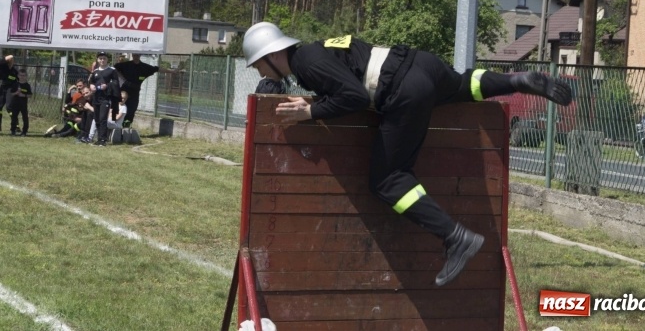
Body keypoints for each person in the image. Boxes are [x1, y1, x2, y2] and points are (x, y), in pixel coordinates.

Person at [242, 22, 572, 287]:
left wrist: (310, 114)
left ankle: (455, 238)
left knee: (387, 180)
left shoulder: (305, 63)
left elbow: (354, 96)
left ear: (271, 55)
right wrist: (316, 103)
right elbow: (347, 84)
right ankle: (516, 78)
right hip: (421, 64)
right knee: (462, 86)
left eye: (257, 65)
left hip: (401, 89)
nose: (259, 73)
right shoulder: (316, 51)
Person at [114, 53, 159, 128]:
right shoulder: (126, 65)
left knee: (132, 109)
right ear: (132, 55)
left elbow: (157, 69)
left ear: (140, 55)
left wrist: (173, 71)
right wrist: (123, 79)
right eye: (134, 55)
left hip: (135, 91)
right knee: (120, 107)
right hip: (125, 90)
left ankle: (126, 125)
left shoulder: (144, 67)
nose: (136, 57)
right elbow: (115, 68)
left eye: (137, 55)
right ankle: (116, 124)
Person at [88, 51, 120, 146]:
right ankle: (99, 139)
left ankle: (103, 140)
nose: (102, 60)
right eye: (100, 58)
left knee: (103, 118)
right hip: (96, 98)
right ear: (98, 60)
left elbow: (116, 83)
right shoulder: (95, 71)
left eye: (104, 58)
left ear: (107, 60)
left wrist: (107, 86)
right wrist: (91, 86)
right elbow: (91, 82)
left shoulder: (112, 70)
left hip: (105, 98)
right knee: (97, 118)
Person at [0, 55, 18, 132]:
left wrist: (10, 66)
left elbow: (11, 56)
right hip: (4, 85)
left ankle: (15, 125)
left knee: (9, 106)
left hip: (12, 85)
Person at [8, 70, 32, 136]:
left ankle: (24, 131)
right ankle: (13, 130)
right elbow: (11, 93)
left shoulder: (27, 85)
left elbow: (30, 95)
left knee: (25, 117)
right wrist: (16, 93)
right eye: (21, 75)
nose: (22, 77)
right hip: (15, 103)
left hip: (23, 104)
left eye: (24, 75)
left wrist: (23, 95)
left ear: (26, 76)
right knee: (14, 117)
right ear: (18, 76)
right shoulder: (15, 84)